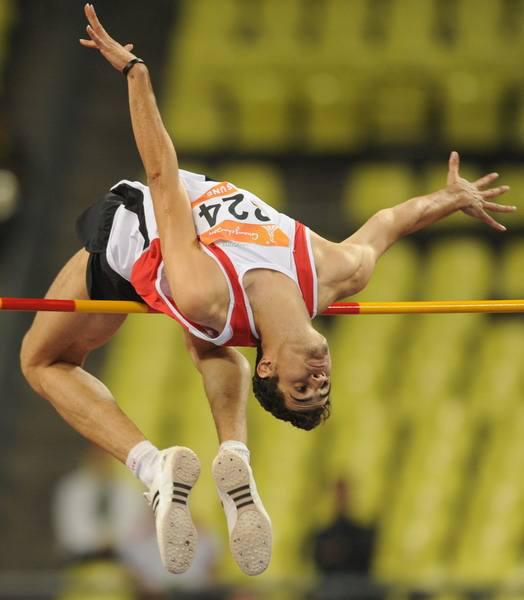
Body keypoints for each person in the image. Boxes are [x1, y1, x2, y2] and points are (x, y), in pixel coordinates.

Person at [19, 3, 516, 579]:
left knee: (41, 360)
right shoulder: (335, 272)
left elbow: (161, 181)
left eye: (301, 388)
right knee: (208, 340)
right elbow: (388, 222)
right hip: (204, 285)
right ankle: (235, 455)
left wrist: (137, 76)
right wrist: (450, 198)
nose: (319, 380)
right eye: (321, 388)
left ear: (269, 367)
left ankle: (153, 468)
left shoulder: (207, 293)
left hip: (129, 245)